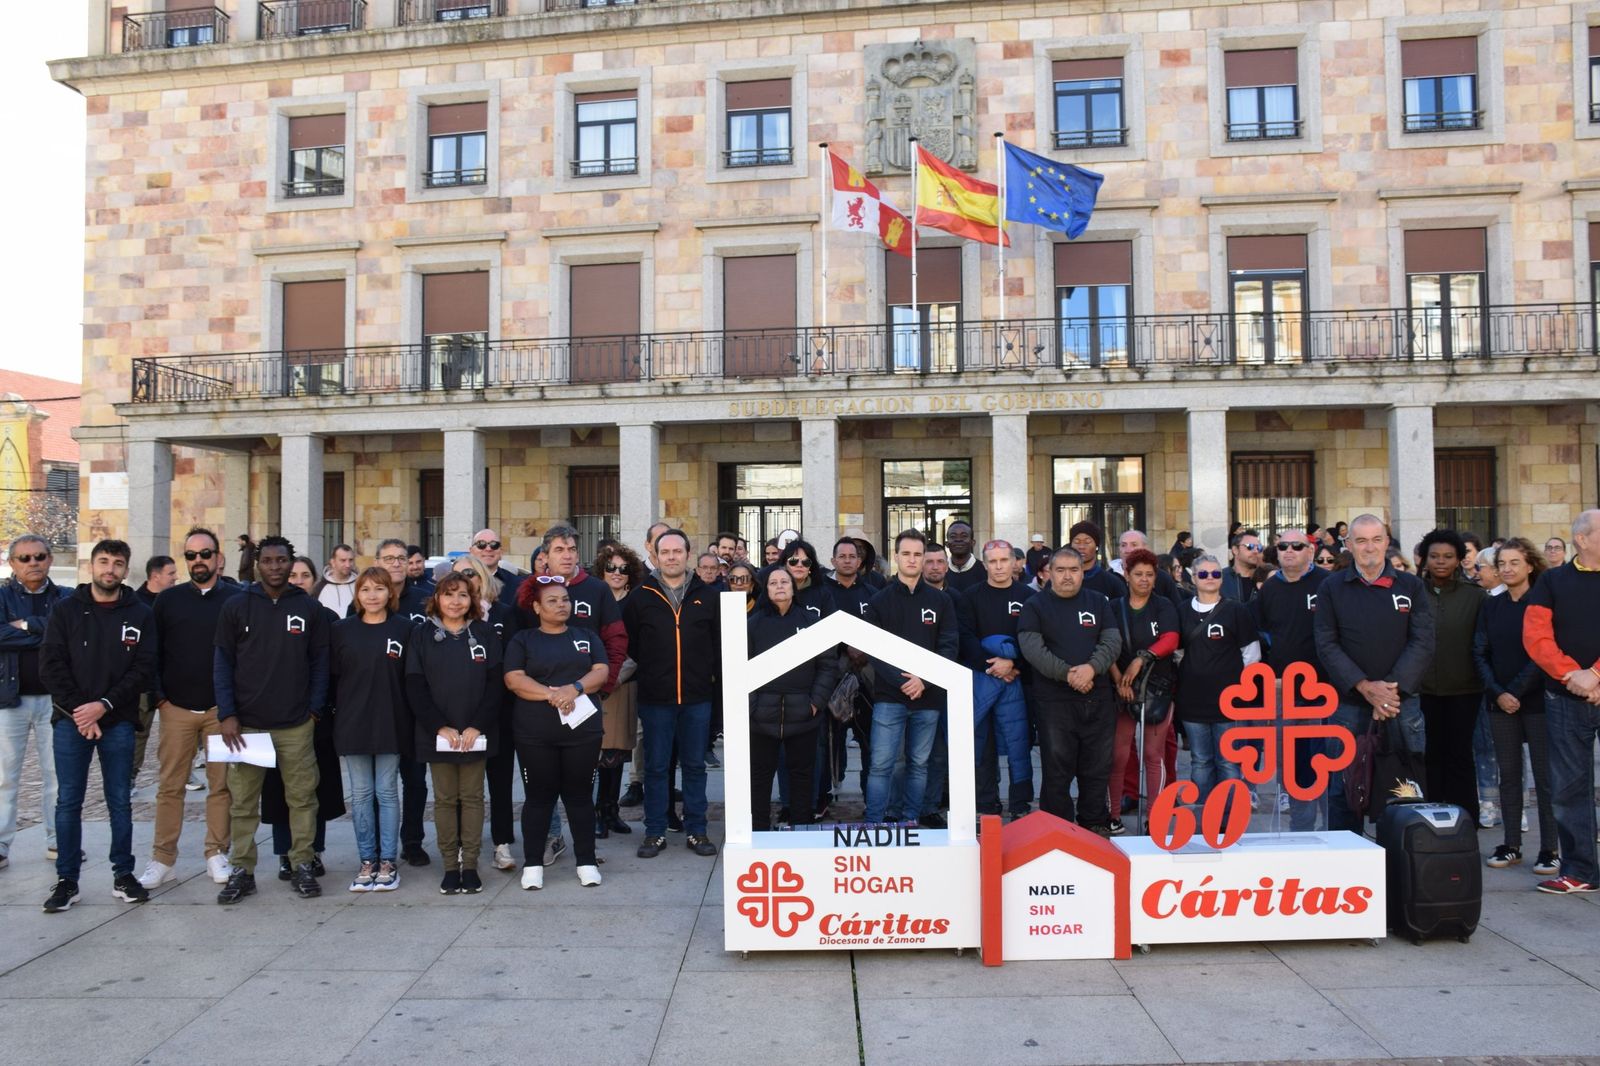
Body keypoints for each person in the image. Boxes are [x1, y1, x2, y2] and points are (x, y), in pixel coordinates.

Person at [212, 536, 332, 905]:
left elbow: (320, 663)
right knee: (244, 801)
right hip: (247, 725)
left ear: (290, 563)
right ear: (258, 564)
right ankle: (242, 869)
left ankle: (302, 864)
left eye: (282, 561)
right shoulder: (237, 606)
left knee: (302, 798)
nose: (276, 567)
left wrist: (313, 709)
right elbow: (222, 662)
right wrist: (228, 713)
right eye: (268, 561)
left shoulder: (308, 608)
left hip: (295, 724)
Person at [38, 539, 156, 912]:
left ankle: (123, 874)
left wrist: (102, 707)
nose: (110, 569)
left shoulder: (139, 613)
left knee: (119, 801)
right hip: (70, 721)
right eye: (103, 561)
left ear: (125, 568)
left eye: (117, 563)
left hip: (118, 720)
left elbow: (143, 669)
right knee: (68, 802)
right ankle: (66, 880)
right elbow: (51, 666)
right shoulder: (66, 610)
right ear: (92, 565)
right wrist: (81, 711)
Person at [1314, 514, 1434, 833]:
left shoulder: (1411, 586)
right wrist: (1365, 687)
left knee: (1407, 790)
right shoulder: (1331, 588)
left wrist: (1389, 691)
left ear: (1387, 542)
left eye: (1377, 539)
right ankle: (1349, 866)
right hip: (1348, 705)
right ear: (1349, 545)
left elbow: (1423, 641)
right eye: (1362, 540)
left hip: (1401, 704)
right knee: (1343, 789)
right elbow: (1326, 643)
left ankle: (1402, 865)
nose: (1370, 547)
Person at [138, 528, 242, 890]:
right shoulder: (168, 601)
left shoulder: (236, 598)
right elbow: (151, 652)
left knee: (221, 786)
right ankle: (162, 857)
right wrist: (160, 697)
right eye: (191, 555)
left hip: (220, 711)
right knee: (170, 787)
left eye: (205, 553)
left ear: (219, 557)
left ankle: (217, 852)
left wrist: (233, 706)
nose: (199, 560)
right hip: (177, 708)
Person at [505, 575, 609, 889]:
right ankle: (533, 864)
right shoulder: (522, 640)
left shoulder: (586, 636)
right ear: (536, 606)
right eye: (552, 600)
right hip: (535, 734)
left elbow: (601, 671)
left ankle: (587, 862)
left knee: (579, 798)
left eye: (565, 599)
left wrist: (574, 688)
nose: (562, 605)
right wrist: (553, 695)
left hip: (583, 733)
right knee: (538, 799)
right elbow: (514, 679)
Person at [623, 528, 720, 858]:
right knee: (656, 767)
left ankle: (697, 830)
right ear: (656, 556)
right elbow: (631, 645)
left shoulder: (708, 596)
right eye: (666, 552)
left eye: (678, 551)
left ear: (688, 555)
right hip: (656, 699)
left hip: (697, 699)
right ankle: (654, 832)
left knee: (694, 766)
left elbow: (717, 647)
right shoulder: (640, 597)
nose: (672, 557)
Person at [407, 571, 503, 894]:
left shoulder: (486, 634)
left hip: (476, 732)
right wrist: (439, 726)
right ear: (437, 598)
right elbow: (415, 685)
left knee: (474, 798)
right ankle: (450, 865)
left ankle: (471, 864)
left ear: (472, 600)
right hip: (439, 734)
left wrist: (478, 725)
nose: (455, 601)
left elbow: (495, 684)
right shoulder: (420, 635)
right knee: (445, 799)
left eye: (462, 595)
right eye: (448, 594)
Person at [1523, 509, 1600, 894]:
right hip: (1566, 697)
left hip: (1590, 686)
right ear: (1582, 539)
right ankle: (1581, 871)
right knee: (1570, 788)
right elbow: (1537, 638)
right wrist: (1574, 676)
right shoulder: (1552, 581)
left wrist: (1597, 674)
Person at [1018, 547, 1121, 832]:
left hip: (1098, 698)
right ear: (1048, 573)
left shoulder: (1099, 602)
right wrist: (1068, 674)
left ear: (1083, 572)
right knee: (1057, 769)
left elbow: (1112, 642)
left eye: (1073, 570)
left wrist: (1091, 669)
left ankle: (1094, 826)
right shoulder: (1035, 605)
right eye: (1060, 570)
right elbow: (1032, 650)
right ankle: (1057, 829)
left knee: (1096, 769)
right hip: (1054, 703)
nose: (1066, 576)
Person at [1472, 538, 1557, 876]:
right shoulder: (1491, 605)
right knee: (1508, 776)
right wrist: (1498, 693)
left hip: (1538, 701)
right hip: (1499, 702)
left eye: (1514, 563)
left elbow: (1543, 653)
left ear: (1530, 565)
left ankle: (1550, 849)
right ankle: (1511, 844)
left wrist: (1516, 691)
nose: (1506, 569)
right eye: (1501, 563)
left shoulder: (1544, 603)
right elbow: (1479, 651)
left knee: (1545, 778)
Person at [862, 530, 957, 824]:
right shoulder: (880, 601)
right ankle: (876, 821)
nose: (912, 559)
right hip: (890, 697)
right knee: (882, 764)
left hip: (927, 698)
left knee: (918, 764)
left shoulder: (941, 601)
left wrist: (923, 680)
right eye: (907, 554)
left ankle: (910, 820)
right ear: (896, 557)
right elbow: (874, 650)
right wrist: (902, 681)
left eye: (918, 554)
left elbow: (948, 645)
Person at [262, 557, 347, 881]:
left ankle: (313, 851)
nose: (297, 580)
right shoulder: (267, 614)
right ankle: (285, 852)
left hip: (316, 718)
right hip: (274, 716)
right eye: (292, 574)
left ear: (315, 580)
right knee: (278, 789)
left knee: (316, 788)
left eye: (304, 575)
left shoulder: (326, 618)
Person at [331, 566, 412, 892]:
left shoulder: (404, 629)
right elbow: (333, 678)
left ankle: (388, 860)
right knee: (362, 795)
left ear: (389, 593)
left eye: (379, 589)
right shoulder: (341, 630)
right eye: (366, 590)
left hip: (391, 720)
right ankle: (368, 860)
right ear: (358, 595)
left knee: (387, 792)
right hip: (353, 722)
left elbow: (412, 678)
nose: (373, 595)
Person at [0, 534, 73, 869]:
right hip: (9, 700)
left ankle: (58, 842)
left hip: (54, 701)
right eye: (24, 558)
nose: (33, 564)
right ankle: (1, 845)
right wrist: (44, 635)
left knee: (56, 775)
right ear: (13, 563)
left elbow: (68, 634)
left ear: (49, 560)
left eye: (39, 557)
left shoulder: (65, 597)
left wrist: (27, 625)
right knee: (5, 777)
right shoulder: (1, 596)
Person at [747, 566, 839, 830]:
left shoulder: (811, 623)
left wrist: (815, 702)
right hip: (762, 716)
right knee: (760, 776)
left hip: (803, 714)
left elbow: (827, 664)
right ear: (766, 589)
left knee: (802, 776)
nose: (779, 586)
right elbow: (741, 665)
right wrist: (752, 706)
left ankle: (801, 826)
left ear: (793, 587)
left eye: (784, 582)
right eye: (773, 582)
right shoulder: (753, 624)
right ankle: (760, 828)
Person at [1251, 528, 1329, 830]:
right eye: (1283, 545)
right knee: (1292, 764)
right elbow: (1262, 633)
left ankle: (1335, 829)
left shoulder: (1327, 584)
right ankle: (1302, 828)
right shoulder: (1270, 589)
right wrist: (1271, 675)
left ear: (1310, 550)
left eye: (1298, 545)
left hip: (1324, 691)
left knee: (1325, 762)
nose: (1290, 550)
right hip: (1284, 692)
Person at [451, 555, 524, 872]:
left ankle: (502, 842)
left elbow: (513, 662)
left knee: (500, 782)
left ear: (482, 576)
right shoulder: (447, 620)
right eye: (457, 577)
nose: (465, 580)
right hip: (459, 714)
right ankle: (460, 845)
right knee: (461, 787)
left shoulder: (505, 614)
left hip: (500, 712)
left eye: (470, 573)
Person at [957, 539, 1035, 820]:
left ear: (1014, 562)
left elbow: (1034, 639)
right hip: (982, 680)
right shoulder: (970, 596)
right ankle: (986, 802)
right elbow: (965, 637)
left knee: (1019, 743)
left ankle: (1020, 803)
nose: (999, 566)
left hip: (1018, 680)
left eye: (1005, 560)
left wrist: (1014, 664)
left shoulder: (1028, 596)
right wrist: (994, 667)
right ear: (985, 564)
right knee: (983, 743)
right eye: (993, 561)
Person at [1176, 553, 1260, 810]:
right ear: (1193, 578)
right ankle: (1202, 814)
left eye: (1215, 573)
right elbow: (1177, 652)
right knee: (1200, 760)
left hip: (1230, 704)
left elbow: (1251, 654)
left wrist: (1240, 690)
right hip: (1192, 702)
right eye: (1203, 574)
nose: (1210, 578)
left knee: (1228, 761)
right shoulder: (1181, 611)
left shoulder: (1236, 610)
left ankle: (1231, 814)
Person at [1417, 528, 1487, 825]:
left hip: (1464, 688)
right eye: (1434, 556)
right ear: (1425, 559)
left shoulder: (1476, 597)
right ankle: (1430, 817)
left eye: (1448, 557)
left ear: (1459, 560)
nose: (1440, 562)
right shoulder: (1412, 591)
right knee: (1428, 754)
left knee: (1459, 754)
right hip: (1421, 688)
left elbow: (1482, 643)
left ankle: (1465, 819)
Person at [1108, 548, 1179, 835]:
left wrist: (1142, 658)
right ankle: (1112, 815)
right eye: (1138, 574)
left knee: (1153, 754)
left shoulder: (1163, 606)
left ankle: (1156, 817)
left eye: (1150, 575)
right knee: (1118, 754)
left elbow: (1171, 639)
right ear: (1126, 575)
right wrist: (1118, 681)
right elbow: (1107, 644)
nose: (1144, 580)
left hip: (1157, 689)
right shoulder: (1114, 607)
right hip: (1120, 690)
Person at [372, 538, 431, 866]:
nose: (395, 563)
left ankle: (412, 841)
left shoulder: (424, 601)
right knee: (380, 784)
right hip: (379, 706)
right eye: (388, 558)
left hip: (414, 708)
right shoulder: (366, 600)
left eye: (400, 558)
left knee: (415, 781)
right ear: (378, 561)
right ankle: (381, 846)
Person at [593, 542, 642, 837]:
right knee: (598, 756)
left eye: (623, 569)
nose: (617, 573)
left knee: (618, 752)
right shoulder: (594, 599)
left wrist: (617, 676)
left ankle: (612, 813)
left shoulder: (635, 602)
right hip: (595, 683)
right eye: (611, 567)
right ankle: (598, 813)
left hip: (624, 681)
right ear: (602, 569)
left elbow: (640, 645)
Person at [129, 554, 177, 779]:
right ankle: (130, 776)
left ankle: (182, 775)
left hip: (171, 682)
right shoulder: (135, 603)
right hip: (144, 682)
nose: (175, 578)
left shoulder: (173, 600)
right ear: (155, 576)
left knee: (178, 736)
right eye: (171, 574)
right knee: (139, 734)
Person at [1068, 521, 1126, 599]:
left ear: (1096, 546)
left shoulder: (1112, 583)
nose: (1081, 547)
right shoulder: (1059, 580)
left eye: (1087, 542)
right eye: (1077, 542)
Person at [470, 528, 524, 609]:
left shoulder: (518, 584)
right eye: (481, 544)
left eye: (494, 545)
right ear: (471, 551)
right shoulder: (460, 580)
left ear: (501, 551)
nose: (488, 549)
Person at [1221, 529, 1262, 603]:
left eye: (1259, 548)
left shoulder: (1265, 577)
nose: (1256, 551)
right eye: (1250, 546)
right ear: (1235, 550)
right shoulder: (1220, 578)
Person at [316, 544, 357, 615]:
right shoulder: (319, 588)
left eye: (350, 560)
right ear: (333, 562)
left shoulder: (360, 585)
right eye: (343, 560)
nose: (348, 565)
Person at [944, 521, 984, 591]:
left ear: (972, 543)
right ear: (947, 544)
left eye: (964, 536)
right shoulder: (940, 571)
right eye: (953, 536)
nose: (958, 540)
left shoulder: (985, 570)